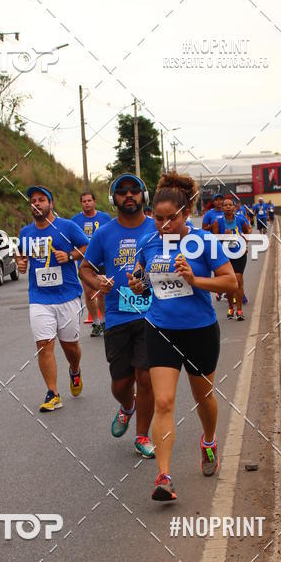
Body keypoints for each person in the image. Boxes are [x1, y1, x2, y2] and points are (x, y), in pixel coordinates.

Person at [128, 172, 238, 502]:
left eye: (170, 219)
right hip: (161, 329)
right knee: (163, 402)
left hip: (200, 330)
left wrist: (195, 279)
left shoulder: (204, 242)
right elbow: (142, 281)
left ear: (185, 213)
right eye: (157, 218)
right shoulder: (148, 244)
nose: (163, 225)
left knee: (204, 397)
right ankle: (164, 476)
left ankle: (208, 440)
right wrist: (138, 285)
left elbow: (230, 283)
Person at [79, 173, 157, 459]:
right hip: (117, 316)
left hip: (151, 315)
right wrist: (97, 282)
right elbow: (85, 268)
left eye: (134, 191)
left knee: (145, 377)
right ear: (114, 200)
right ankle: (127, 406)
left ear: (143, 197)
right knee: (121, 383)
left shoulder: (155, 229)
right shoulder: (104, 234)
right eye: (122, 191)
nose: (128, 195)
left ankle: (142, 435)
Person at [16, 186, 88, 412]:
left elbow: (87, 247)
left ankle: (74, 370)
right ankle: (53, 393)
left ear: (51, 204)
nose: (36, 204)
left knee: (70, 346)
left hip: (67, 296)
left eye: (41, 200)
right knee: (44, 345)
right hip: (39, 298)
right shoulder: (26, 232)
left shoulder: (67, 227)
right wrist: (20, 262)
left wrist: (69, 256)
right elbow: (20, 252)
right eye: (33, 201)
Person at [72, 191, 112, 336]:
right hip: (85, 263)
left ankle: (105, 321)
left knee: (102, 292)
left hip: (102, 260)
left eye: (89, 200)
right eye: (84, 201)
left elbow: (111, 237)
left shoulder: (105, 218)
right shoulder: (75, 220)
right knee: (89, 293)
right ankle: (95, 322)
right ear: (81, 203)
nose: (87, 203)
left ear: (94, 202)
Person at [222, 196, 251, 321]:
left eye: (230, 205)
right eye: (226, 205)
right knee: (229, 283)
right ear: (222, 208)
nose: (228, 207)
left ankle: (239, 310)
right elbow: (212, 239)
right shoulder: (218, 222)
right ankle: (230, 308)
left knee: (238, 280)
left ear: (234, 207)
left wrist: (244, 242)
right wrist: (224, 236)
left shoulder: (240, 219)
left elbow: (248, 230)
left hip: (239, 254)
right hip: (225, 255)